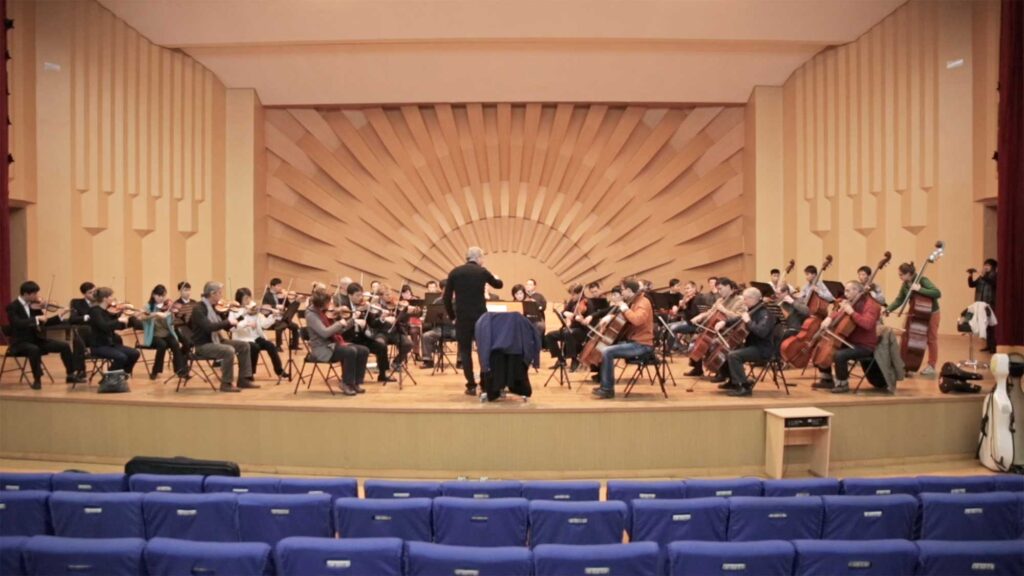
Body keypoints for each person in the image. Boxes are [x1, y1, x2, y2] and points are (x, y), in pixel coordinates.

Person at [443, 246, 504, 396]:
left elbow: (446, 298)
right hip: (481, 318)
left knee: (465, 351)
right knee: (483, 349)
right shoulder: (482, 272)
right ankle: (484, 383)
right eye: (483, 258)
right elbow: (499, 285)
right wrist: (496, 278)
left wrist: (452, 316)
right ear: (478, 258)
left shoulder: (455, 272)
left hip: (462, 318)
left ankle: (471, 385)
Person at [5, 281, 81, 389]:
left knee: (64, 346)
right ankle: (37, 379)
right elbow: (17, 323)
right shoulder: (12, 307)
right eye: (34, 294)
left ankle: (70, 374)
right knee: (33, 349)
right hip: (20, 343)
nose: (37, 296)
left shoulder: (34, 307)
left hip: (36, 340)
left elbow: (45, 322)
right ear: (26, 294)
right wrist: (35, 318)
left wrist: (60, 315)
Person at [592, 280, 654, 400]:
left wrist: (624, 308)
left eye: (623, 290)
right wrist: (611, 316)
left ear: (630, 291)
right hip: (633, 341)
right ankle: (603, 382)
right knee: (603, 346)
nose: (621, 292)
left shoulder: (643, 303)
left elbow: (637, 320)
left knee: (607, 351)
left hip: (642, 344)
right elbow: (625, 318)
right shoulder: (634, 301)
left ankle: (607, 389)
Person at [189, 281, 255, 392]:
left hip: (217, 341)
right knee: (228, 350)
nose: (221, 295)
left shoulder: (216, 308)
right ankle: (226, 383)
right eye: (219, 293)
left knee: (244, 346)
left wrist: (241, 316)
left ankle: (243, 379)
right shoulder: (198, 309)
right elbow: (209, 327)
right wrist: (228, 321)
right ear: (212, 293)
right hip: (203, 345)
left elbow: (227, 327)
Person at [819, 281, 883, 393]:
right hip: (850, 341)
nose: (845, 293)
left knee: (839, 355)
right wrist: (829, 318)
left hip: (864, 346)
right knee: (822, 346)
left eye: (848, 291)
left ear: (857, 291)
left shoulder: (872, 305)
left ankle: (843, 384)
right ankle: (827, 379)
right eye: (845, 290)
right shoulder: (852, 302)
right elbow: (839, 314)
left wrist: (852, 312)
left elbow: (867, 324)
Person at [304, 290, 369, 396]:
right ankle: (346, 383)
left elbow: (338, 331)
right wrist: (339, 323)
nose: (331, 305)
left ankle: (355, 383)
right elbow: (325, 333)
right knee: (350, 351)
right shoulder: (311, 315)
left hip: (333, 344)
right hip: (322, 348)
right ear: (321, 304)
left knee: (363, 350)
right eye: (328, 302)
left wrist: (352, 320)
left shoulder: (324, 312)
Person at [885, 262, 942, 377]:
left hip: (931, 313)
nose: (899, 277)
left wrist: (920, 289)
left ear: (909, 274)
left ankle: (931, 365)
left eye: (901, 275)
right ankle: (908, 363)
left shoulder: (922, 280)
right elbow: (899, 299)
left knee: (931, 339)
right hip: (916, 312)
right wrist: (888, 309)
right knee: (909, 337)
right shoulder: (905, 284)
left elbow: (937, 293)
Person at [721, 287, 779, 397]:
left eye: (745, 299)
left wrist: (748, 321)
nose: (743, 301)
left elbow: (761, 332)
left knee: (734, 355)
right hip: (752, 345)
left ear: (753, 299)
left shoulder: (766, 314)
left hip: (762, 349)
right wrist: (724, 322)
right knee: (726, 350)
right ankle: (733, 382)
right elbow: (738, 319)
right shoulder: (753, 310)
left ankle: (744, 386)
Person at [685, 278, 746, 379]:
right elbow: (710, 312)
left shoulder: (739, 300)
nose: (719, 291)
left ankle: (721, 371)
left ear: (728, 287)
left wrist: (724, 310)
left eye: (720, 289)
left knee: (713, 343)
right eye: (718, 289)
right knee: (695, 338)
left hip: (729, 332)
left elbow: (739, 317)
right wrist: (700, 316)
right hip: (717, 330)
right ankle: (697, 368)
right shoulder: (720, 300)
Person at [343, 283, 395, 384]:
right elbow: (342, 325)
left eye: (361, 295)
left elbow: (373, 324)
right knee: (356, 350)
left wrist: (381, 318)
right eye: (358, 295)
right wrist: (354, 318)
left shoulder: (365, 306)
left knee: (381, 346)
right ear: (350, 295)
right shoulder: (344, 305)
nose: (361, 298)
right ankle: (350, 376)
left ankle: (382, 375)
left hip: (362, 337)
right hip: (349, 338)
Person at [231, 288, 289, 380]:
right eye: (246, 298)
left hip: (255, 337)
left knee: (270, 345)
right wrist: (247, 323)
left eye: (249, 298)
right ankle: (250, 374)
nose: (248, 301)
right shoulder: (234, 311)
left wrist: (272, 316)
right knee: (255, 347)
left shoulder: (254, 310)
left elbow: (264, 325)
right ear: (239, 299)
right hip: (243, 339)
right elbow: (233, 328)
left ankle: (279, 370)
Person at [86, 287, 141, 377]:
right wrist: (119, 320)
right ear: (105, 298)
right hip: (99, 345)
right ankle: (108, 379)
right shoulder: (95, 311)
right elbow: (104, 326)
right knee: (121, 357)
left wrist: (127, 318)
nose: (113, 298)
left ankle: (122, 375)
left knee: (135, 353)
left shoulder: (106, 311)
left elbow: (117, 327)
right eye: (111, 296)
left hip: (110, 344)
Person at [139, 284, 188, 380]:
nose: (161, 298)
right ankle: (155, 371)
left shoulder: (167, 306)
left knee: (175, 343)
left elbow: (171, 323)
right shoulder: (148, 306)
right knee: (162, 344)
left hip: (166, 334)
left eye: (163, 296)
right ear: (154, 295)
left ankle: (180, 371)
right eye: (159, 296)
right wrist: (155, 314)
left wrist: (172, 313)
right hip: (153, 336)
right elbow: (141, 317)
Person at [543, 283, 588, 371]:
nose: (572, 296)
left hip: (582, 330)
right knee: (549, 336)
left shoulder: (587, 302)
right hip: (570, 329)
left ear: (580, 293)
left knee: (568, 333)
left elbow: (588, 319)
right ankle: (561, 359)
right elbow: (564, 312)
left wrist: (575, 317)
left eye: (573, 294)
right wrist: (566, 314)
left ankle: (574, 360)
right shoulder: (572, 302)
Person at [420, 279, 455, 369]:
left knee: (464, 335)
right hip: (439, 329)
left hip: (454, 329)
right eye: (446, 288)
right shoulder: (437, 301)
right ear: (442, 289)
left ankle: (460, 361)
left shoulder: (458, 301)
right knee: (426, 336)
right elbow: (431, 317)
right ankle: (428, 360)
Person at [66, 281, 96, 378]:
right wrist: (85, 317)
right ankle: (80, 369)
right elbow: (72, 319)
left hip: (100, 334)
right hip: (85, 336)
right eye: (90, 292)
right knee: (78, 339)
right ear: (84, 294)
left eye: (94, 291)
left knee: (116, 337)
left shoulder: (101, 302)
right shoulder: (77, 303)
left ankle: (117, 369)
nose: (93, 294)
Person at [262, 278, 300, 352]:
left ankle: (294, 345)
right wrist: (275, 306)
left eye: (280, 286)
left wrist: (286, 297)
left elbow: (288, 306)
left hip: (282, 317)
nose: (280, 288)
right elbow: (265, 307)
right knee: (280, 326)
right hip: (272, 318)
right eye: (278, 286)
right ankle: (278, 346)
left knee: (295, 326)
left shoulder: (281, 295)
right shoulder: (267, 295)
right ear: (272, 286)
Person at [968, 258, 997, 353]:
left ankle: (994, 347)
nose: (985, 267)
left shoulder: (995, 275)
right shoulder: (982, 277)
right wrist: (970, 275)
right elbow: (972, 285)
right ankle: (988, 346)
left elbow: (992, 282)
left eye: (987, 265)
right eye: (985, 265)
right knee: (985, 325)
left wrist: (982, 275)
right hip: (980, 304)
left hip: (990, 304)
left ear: (992, 267)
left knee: (991, 327)